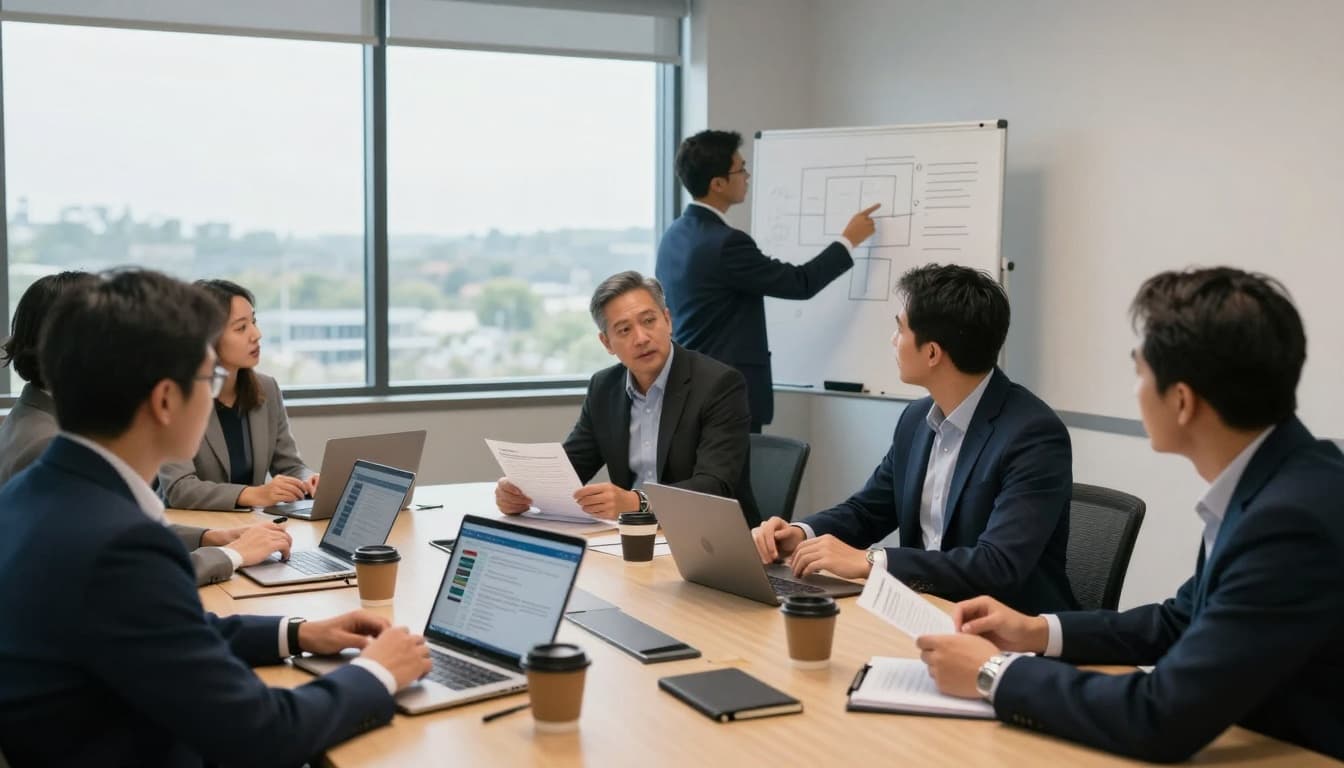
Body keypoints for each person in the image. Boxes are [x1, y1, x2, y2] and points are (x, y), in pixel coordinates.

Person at [0, 269, 431, 766]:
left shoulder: (41, 494)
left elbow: (162, 631)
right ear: (165, 400)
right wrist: (378, 673)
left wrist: (296, 633)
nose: (216, 395)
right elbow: (263, 733)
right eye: (209, 379)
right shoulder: (118, 545)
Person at [916, 268, 1344, 762]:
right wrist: (1036, 631)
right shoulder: (1277, 479)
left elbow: (1160, 717)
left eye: (1140, 373)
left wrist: (995, 673)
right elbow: (1181, 621)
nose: (1135, 390)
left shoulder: (1291, 521)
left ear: (1182, 401)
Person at [753, 264, 1076, 613]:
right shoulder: (915, 420)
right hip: (923, 611)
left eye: (899, 329)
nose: (893, 340)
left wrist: (874, 560)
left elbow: (998, 565)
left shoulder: (1032, 435)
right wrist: (802, 535)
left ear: (933, 353)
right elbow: (868, 510)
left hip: (1008, 632)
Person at [0, 271, 290, 586]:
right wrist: (233, 554)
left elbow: (118, 532)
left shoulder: (44, 421)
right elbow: (122, 574)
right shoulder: (48, 446)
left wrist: (210, 537)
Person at [656, 129, 880, 432]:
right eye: (741, 169)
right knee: (731, 480)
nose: (747, 176)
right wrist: (847, 240)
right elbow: (800, 282)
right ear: (718, 184)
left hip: (688, 392)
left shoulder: (673, 236)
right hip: (726, 396)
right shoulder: (726, 244)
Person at [495, 270, 758, 525]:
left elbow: (714, 486)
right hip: (631, 538)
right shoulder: (604, 387)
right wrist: (522, 491)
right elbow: (572, 467)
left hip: (706, 536)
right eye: (624, 330)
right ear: (606, 343)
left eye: (649, 321)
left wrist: (637, 502)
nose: (641, 338)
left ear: (667, 320)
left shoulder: (719, 384)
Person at [159, 279, 318, 510]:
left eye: (253, 322)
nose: (256, 334)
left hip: (251, 528)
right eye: (241, 328)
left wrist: (308, 480)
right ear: (208, 339)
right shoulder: (176, 396)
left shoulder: (267, 388)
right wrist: (253, 494)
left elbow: (289, 466)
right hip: (193, 534)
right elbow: (179, 488)